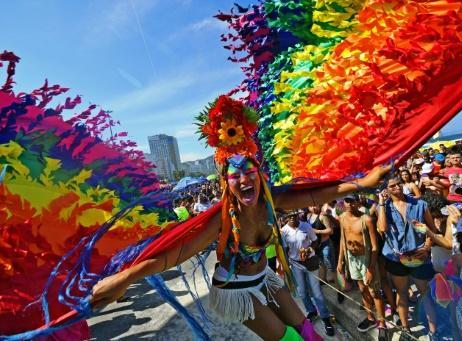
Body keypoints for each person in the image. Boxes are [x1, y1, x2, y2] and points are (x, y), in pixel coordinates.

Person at [90, 96, 392, 340]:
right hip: (235, 289)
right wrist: (124, 279)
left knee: (309, 334)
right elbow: (176, 254)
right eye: (236, 176)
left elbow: (316, 195)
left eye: (250, 172)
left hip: (265, 278)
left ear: (259, 176)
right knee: (289, 339)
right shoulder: (221, 219)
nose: (244, 180)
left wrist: (362, 185)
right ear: (225, 183)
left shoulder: (274, 199)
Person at [377, 176, 438, 339]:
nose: (397, 187)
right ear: (386, 190)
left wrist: (426, 248)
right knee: (402, 293)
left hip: (419, 256)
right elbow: (382, 228)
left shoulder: (420, 204)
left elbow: (432, 230)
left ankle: (433, 331)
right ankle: (406, 328)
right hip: (396, 257)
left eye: (398, 184)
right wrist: (382, 203)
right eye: (392, 185)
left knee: (425, 294)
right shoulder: (383, 207)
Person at [338, 194, 388, 341]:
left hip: (366, 259)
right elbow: (343, 238)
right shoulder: (341, 217)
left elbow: (374, 246)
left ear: (358, 202)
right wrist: (340, 260)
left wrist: (371, 268)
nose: (349, 204)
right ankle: (370, 317)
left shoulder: (366, 219)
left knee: (374, 291)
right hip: (351, 258)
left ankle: (383, 324)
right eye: (347, 201)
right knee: (362, 289)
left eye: (352, 201)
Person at [281, 211, 335, 337]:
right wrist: (286, 265)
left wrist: (309, 249)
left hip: (310, 262)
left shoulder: (306, 226)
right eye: (289, 216)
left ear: (298, 215)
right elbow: (285, 249)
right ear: (285, 218)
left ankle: (325, 318)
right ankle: (311, 311)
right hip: (295, 264)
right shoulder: (283, 231)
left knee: (316, 291)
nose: (292, 217)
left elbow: (315, 241)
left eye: (294, 215)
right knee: (302, 292)